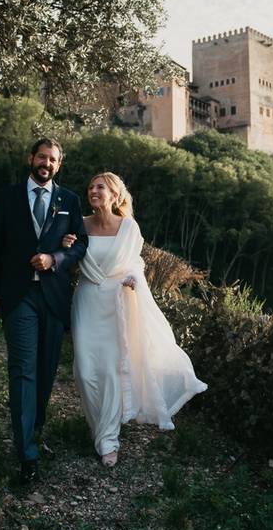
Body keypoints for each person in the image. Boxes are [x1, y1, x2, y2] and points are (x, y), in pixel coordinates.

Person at [61, 172, 207, 467]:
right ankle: (98, 426)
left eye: (100, 187)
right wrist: (65, 247)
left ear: (115, 195)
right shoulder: (80, 224)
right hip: (88, 301)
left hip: (117, 303)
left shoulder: (129, 227)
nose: (93, 191)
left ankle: (108, 439)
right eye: (90, 187)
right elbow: (71, 257)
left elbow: (135, 264)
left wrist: (134, 280)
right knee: (85, 371)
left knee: (113, 371)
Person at [0, 138, 88, 485]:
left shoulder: (69, 200)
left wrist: (55, 258)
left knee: (45, 373)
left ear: (59, 165)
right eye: (42, 157)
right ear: (30, 158)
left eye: (53, 160)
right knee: (23, 371)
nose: (46, 163)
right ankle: (26, 454)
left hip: (54, 298)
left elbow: (80, 246)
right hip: (18, 297)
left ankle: (34, 429)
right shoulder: (8, 197)